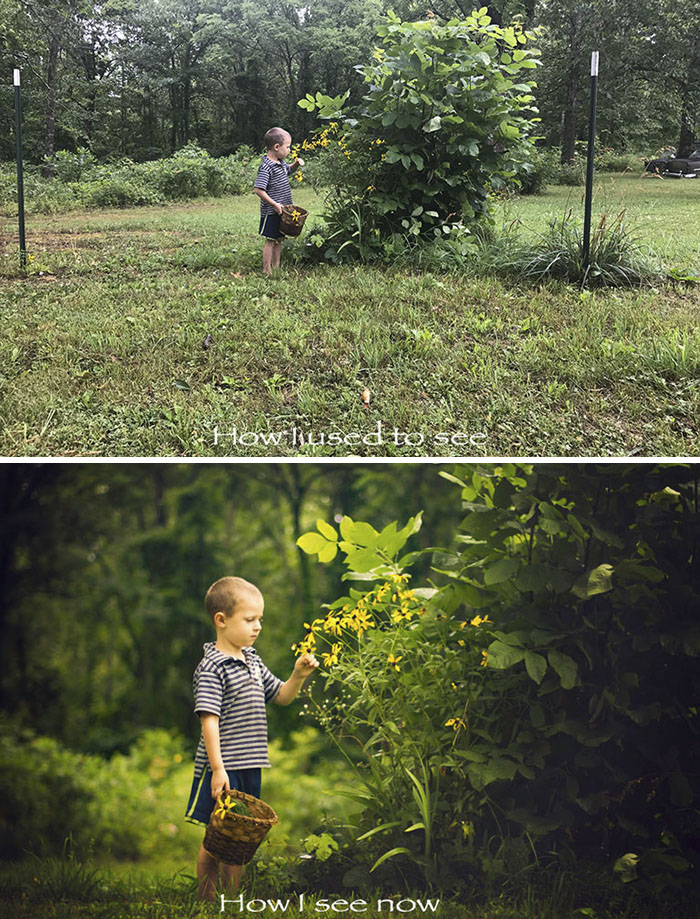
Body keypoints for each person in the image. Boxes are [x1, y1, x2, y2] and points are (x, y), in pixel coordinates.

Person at [184, 575, 318, 902]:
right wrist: (218, 769)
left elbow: (282, 696)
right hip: (224, 767)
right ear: (221, 620)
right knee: (215, 837)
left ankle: (232, 901)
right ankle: (205, 900)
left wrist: (298, 675)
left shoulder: (253, 661)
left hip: (250, 764)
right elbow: (209, 721)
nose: (257, 626)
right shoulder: (213, 667)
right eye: (249, 620)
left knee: (239, 840)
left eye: (260, 619)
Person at [254, 127, 305, 274]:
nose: (289, 150)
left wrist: (295, 164)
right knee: (270, 240)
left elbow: (288, 170)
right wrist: (274, 204)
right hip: (272, 211)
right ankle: (266, 269)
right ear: (276, 147)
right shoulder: (266, 167)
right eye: (288, 147)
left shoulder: (281, 163)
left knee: (279, 240)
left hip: (283, 210)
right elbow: (258, 189)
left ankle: (276, 267)